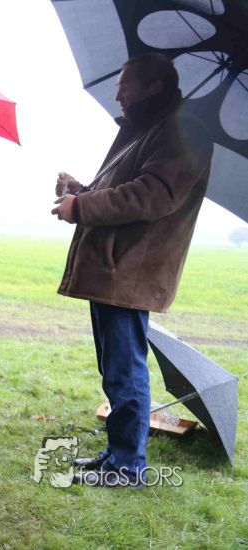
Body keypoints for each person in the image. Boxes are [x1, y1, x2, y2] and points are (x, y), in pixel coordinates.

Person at [51, 53, 213, 487]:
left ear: (154, 87)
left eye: (126, 85)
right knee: (115, 369)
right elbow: (123, 188)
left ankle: (128, 467)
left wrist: (81, 207)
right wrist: (80, 190)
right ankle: (118, 453)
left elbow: (150, 196)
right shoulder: (147, 129)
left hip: (130, 271)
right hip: (113, 269)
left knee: (126, 370)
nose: (118, 94)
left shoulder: (184, 131)